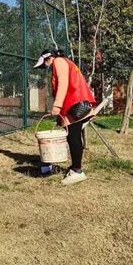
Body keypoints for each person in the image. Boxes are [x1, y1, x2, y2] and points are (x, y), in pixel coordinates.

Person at [34, 49, 96, 185]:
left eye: (44, 64)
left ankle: (77, 171)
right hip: (77, 102)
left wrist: (57, 106)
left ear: (48, 58)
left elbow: (63, 84)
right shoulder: (66, 62)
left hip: (74, 103)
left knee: (73, 137)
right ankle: (75, 168)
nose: (46, 67)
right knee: (73, 136)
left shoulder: (59, 62)